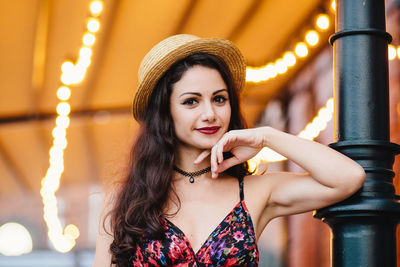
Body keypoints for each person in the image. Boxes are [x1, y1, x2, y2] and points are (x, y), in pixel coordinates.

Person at [93, 34, 365, 267]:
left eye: (219, 99)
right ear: (165, 113)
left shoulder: (255, 192)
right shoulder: (126, 199)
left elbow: (349, 177)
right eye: (191, 102)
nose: (210, 114)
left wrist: (266, 137)